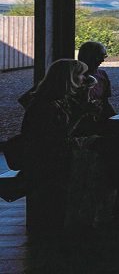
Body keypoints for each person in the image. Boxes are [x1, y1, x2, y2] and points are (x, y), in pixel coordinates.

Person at [19, 59, 108, 234]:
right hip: (49, 153)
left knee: (103, 143)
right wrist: (83, 113)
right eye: (81, 75)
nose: (84, 78)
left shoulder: (46, 99)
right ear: (71, 78)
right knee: (105, 146)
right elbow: (61, 136)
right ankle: (89, 212)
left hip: (45, 149)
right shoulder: (50, 105)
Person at [78, 41, 116, 120]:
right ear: (88, 56)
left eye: (104, 56)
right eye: (99, 56)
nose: (102, 60)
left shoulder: (102, 75)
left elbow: (105, 102)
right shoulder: (74, 77)